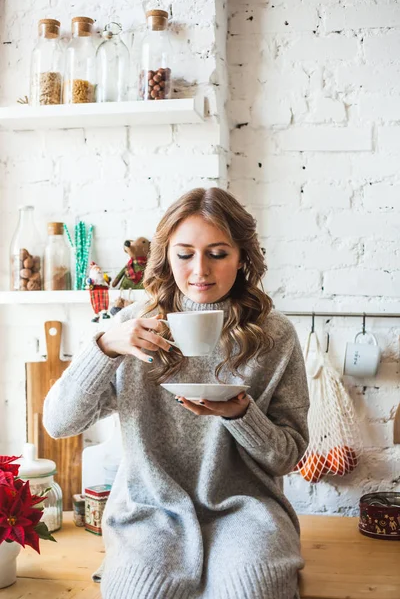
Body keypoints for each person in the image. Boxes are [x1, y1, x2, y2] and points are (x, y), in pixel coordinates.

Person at [43, 187, 309, 599]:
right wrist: (105, 347)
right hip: (148, 513)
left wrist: (241, 415)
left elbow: (287, 455)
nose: (199, 270)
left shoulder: (275, 336)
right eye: (184, 254)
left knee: (253, 590)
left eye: (218, 254)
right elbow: (59, 424)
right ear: (166, 256)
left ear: (242, 258)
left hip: (248, 512)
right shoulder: (132, 329)